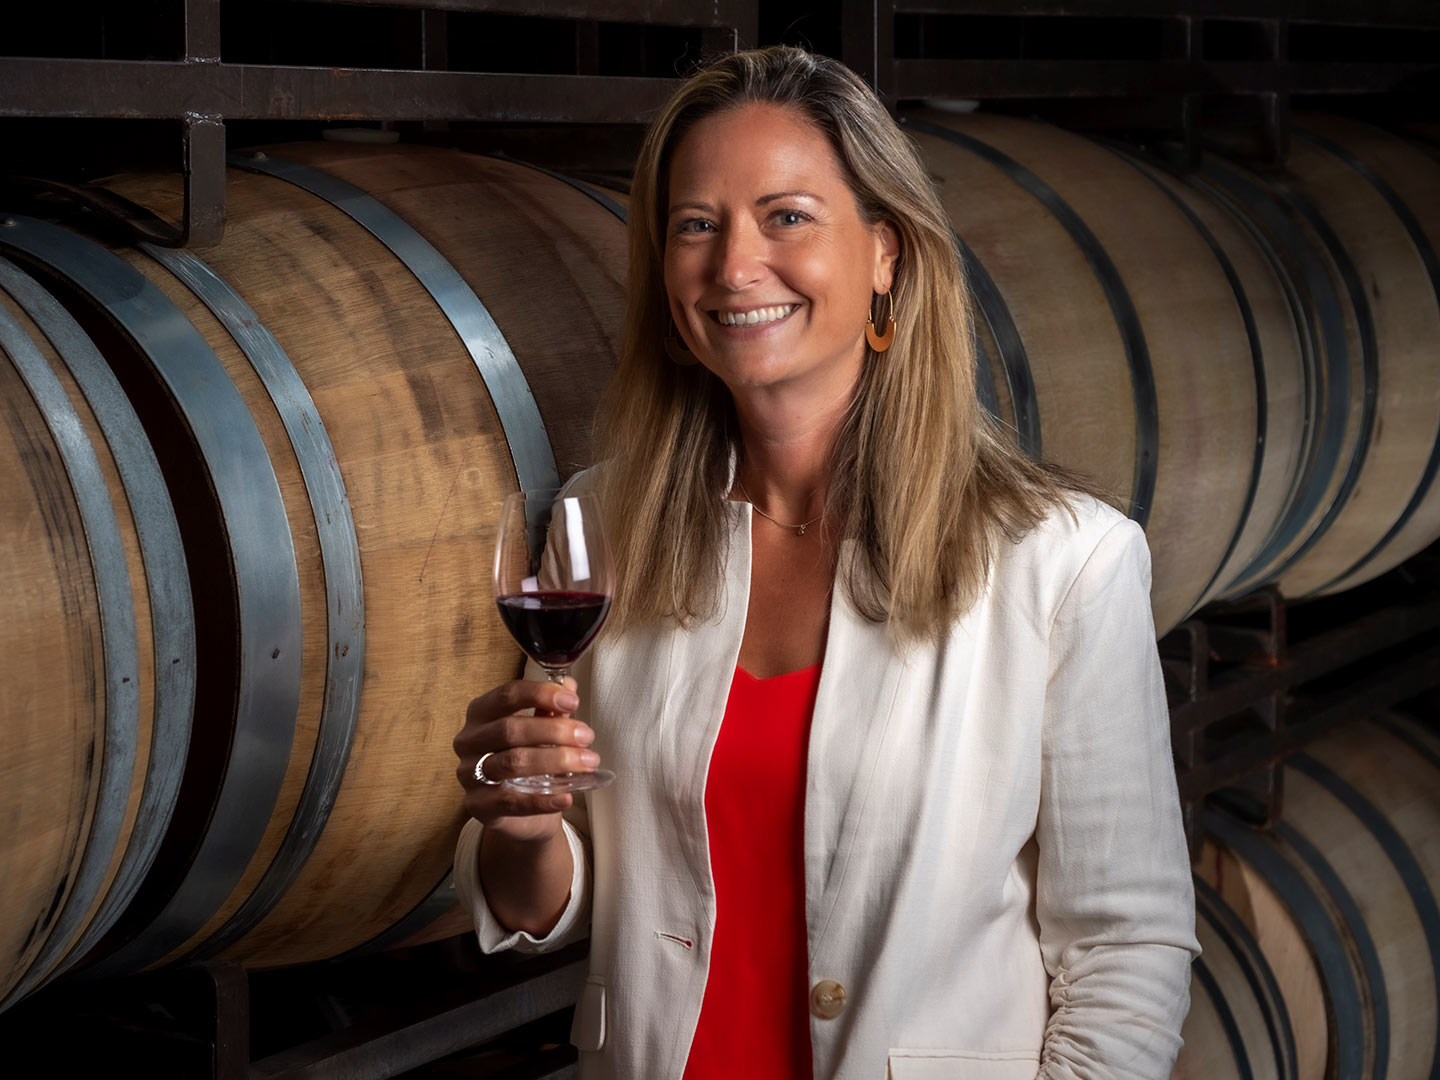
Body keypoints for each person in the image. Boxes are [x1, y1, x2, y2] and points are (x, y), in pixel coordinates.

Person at [453, 45, 1199, 1080]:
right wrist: (524, 826)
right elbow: (555, 903)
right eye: (696, 226)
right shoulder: (602, 524)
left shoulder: (1064, 562)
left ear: (886, 253)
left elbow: (1127, 947)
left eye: (787, 216)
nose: (733, 266)